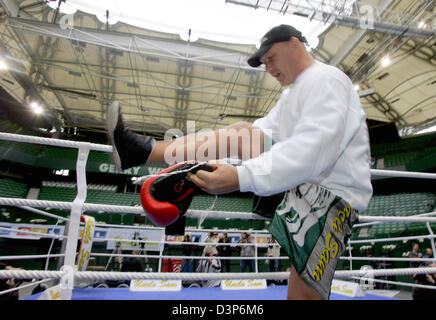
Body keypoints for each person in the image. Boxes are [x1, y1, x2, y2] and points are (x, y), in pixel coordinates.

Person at [108, 24, 373, 300]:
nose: (268, 68)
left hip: (331, 198)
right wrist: (205, 168)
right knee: (242, 132)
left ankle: (148, 153)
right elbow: (249, 139)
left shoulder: (326, 79)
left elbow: (316, 148)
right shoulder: (292, 95)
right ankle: (144, 151)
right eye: (264, 63)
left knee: (305, 296)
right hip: (305, 190)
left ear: (296, 44)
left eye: (270, 58)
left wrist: (240, 177)